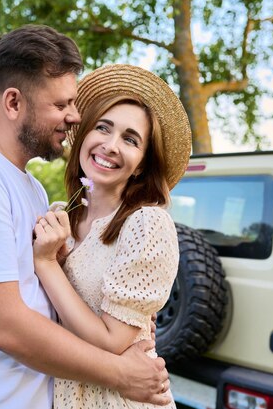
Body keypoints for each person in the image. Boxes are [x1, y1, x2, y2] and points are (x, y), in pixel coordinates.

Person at [0, 26, 172, 409]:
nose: (75, 118)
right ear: (13, 103)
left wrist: (130, 322)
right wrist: (122, 374)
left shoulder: (33, 189)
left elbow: (46, 295)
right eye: (61, 105)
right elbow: (6, 327)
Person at [32, 64, 192, 408]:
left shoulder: (146, 224)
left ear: (141, 165)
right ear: (85, 134)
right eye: (103, 128)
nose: (111, 145)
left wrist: (46, 264)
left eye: (130, 139)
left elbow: (112, 341)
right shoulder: (62, 214)